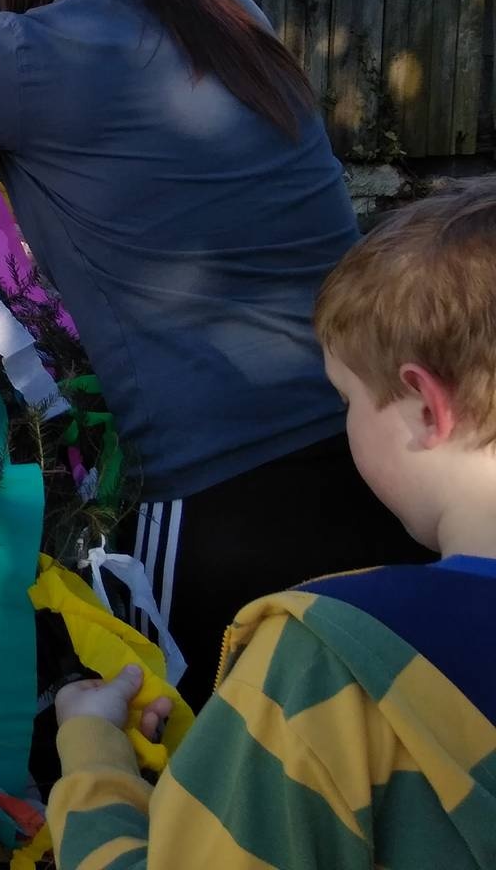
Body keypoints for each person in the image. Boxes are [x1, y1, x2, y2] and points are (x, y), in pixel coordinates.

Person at [0, 0, 427, 707]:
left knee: (193, 764)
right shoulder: (235, 18)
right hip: (378, 456)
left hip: (218, 503)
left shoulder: (25, 57)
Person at [47, 181, 496, 869]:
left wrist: (93, 756)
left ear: (427, 407)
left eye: (346, 400)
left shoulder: (326, 662)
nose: (347, 423)